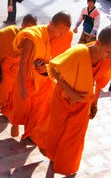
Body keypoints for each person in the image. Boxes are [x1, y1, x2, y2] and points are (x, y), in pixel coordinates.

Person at [45, 27, 111, 177]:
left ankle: (67, 167)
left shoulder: (108, 59)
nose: (110, 56)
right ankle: (53, 163)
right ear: (98, 43)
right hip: (63, 98)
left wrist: (94, 103)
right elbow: (54, 68)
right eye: (109, 52)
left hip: (82, 103)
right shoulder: (79, 52)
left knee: (74, 137)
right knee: (58, 133)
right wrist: (71, 93)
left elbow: (100, 81)